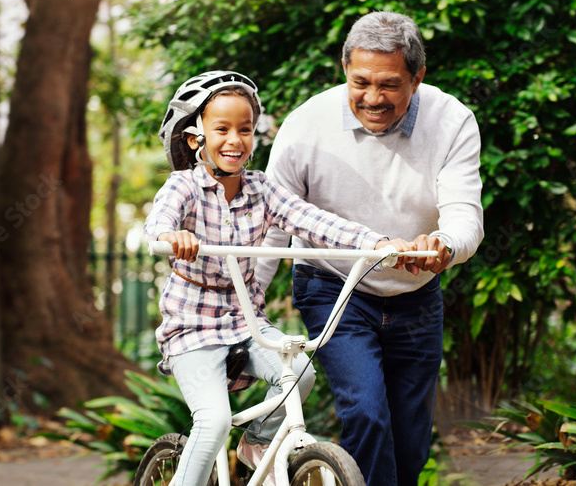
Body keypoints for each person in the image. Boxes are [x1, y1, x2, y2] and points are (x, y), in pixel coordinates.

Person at [255, 11, 484, 486]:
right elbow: (274, 225)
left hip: (417, 294)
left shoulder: (453, 120)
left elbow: (465, 215)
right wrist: (248, 309)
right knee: (367, 413)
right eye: (361, 82)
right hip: (333, 286)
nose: (373, 98)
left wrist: (444, 244)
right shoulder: (305, 126)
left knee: (411, 436)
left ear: (417, 78)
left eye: (390, 85)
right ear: (344, 69)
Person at [145, 70, 397, 486]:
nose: (235, 139)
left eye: (245, 129)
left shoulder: (262, 189)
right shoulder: (183, 187)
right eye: (221, 129)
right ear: (195, 138)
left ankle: (258, 441)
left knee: (301, 369)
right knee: (213, 422)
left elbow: (311, 220)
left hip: (246, 324)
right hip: (191, 328)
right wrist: (171, 235)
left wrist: (377, 242)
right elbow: (157, 224)